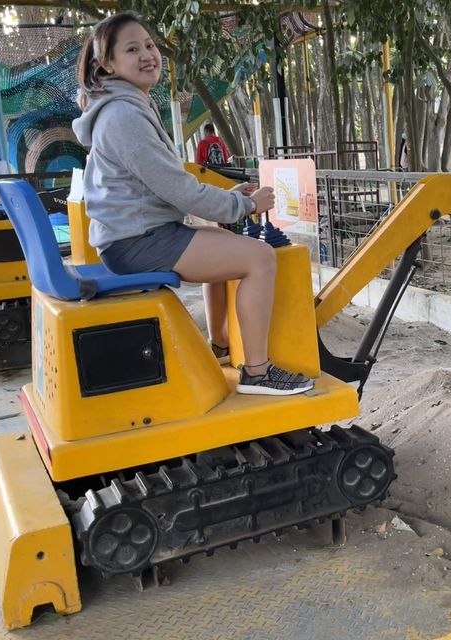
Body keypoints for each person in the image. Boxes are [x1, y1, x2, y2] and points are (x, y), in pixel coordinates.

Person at [72, 12, 313, 396]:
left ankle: (220, 346)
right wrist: (245, 208)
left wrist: (229, 200)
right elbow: (177, 189)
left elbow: (167, 184)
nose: (148, 54)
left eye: (149, 45)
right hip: (137, 240)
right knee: (259, 258)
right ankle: (258, 372)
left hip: (135, 234)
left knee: (222, 242)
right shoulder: (122, 116)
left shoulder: (126, 104)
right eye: (132, 49)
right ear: (108, 64)